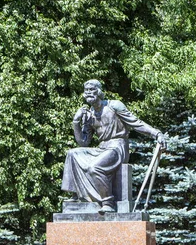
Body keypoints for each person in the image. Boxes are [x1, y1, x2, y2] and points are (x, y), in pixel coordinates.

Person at [61, 79, 166, 213]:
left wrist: (156, 133)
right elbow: (84, 142)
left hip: (118, 147)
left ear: (99, 91)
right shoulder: (89, 114)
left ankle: (108, 203)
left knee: (94, 167)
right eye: (86, 91)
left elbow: (135, 123)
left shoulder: (114, 106)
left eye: (92, 90)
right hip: (102, 148)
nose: (88, 93)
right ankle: (76, 196)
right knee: (72, 153)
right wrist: (76, 122)